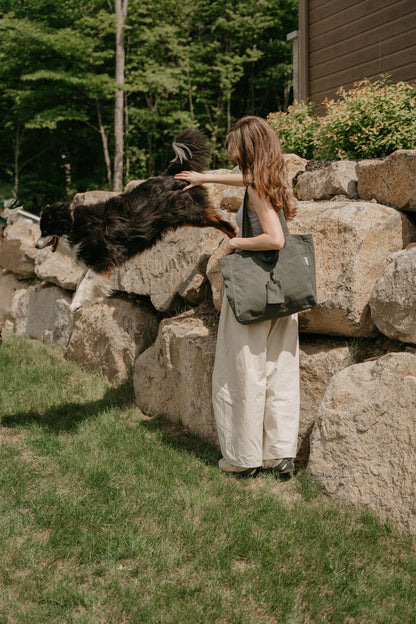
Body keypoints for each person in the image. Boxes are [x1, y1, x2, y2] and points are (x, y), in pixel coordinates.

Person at [175, 115, 299, 478]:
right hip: (282, 296)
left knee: (242, 373)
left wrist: (234, 242)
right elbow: (246, 181)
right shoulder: (272, 179)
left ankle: (243, 460)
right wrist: (203, 177)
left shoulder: (258, 187)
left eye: (235, 148)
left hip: (251, 294)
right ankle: (280, 455)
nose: (231, 154)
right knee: (279, 371)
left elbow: (274, 238)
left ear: (248, 149)